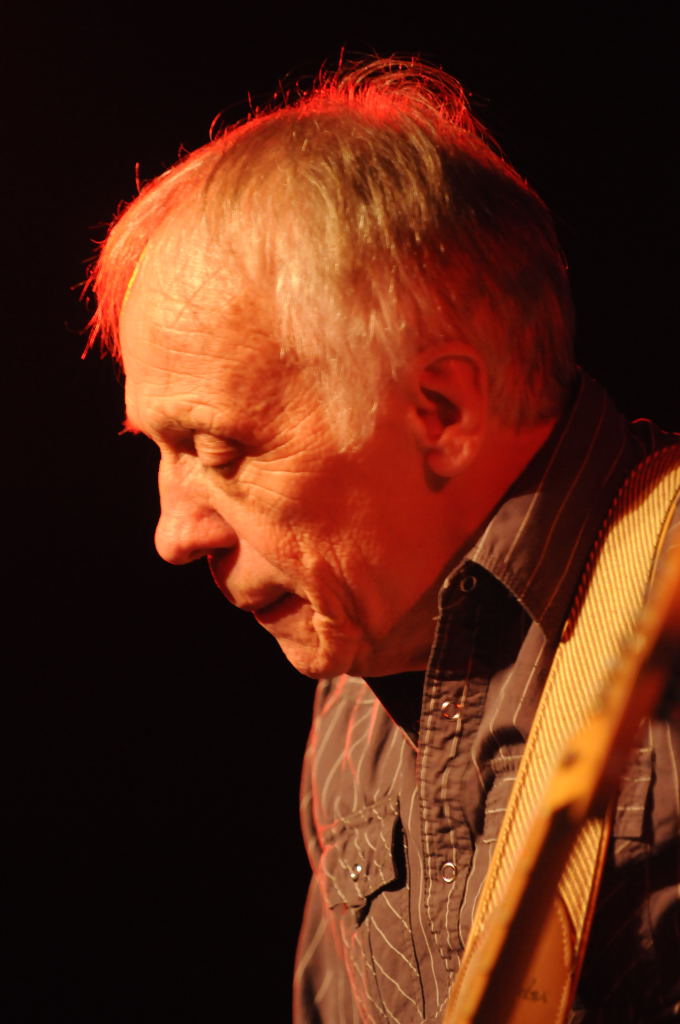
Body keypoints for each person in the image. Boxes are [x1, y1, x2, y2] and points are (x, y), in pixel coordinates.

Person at [88, 58, 679, 1023]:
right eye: (159, 450)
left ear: (441, 412)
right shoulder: (353, 702)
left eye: (222, 451)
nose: (174, 534)